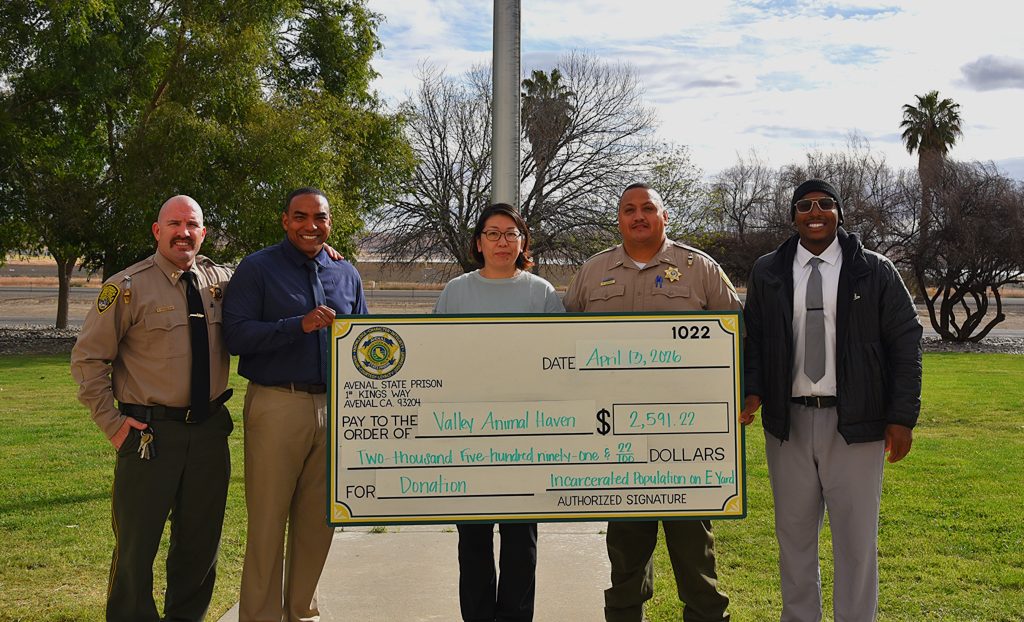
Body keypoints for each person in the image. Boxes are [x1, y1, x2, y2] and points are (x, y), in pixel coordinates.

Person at [740, 178, 922, 622]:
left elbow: (906, 341)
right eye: (804, 205)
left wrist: (902, 417)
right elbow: (755, 340)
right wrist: (753, 389)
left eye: (825, 204)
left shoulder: (874, 270)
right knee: (795, 540)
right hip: (790, 424)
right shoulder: (768, 271)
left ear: (840, 212)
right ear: (793, 216)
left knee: (856, 543)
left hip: (856, 424)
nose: (814, 212)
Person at [563, 183, 736, 622]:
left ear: (663, 215)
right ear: (618, 219)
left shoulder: (700, 269)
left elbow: (738, 337)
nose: (638, 216)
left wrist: (739, 396)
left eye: (647, 208)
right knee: (625, 551)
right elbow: (563, 341)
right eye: (628, 209)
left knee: (694, 551)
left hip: (687, 436)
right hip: (615, 438)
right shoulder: (592, 272)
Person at [70, 195, 234, 622]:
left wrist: (318, 253)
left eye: (192, 224)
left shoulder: (220, 281)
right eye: (174, 223)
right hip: (148, 437)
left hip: (209, 434)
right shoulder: (126, 288)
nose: (184, 232)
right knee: (136, 548)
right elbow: (88, 360)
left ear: (203, 232)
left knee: (200, 547)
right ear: (157, 231)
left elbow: (274, 281)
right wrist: (114, 427)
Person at [223, 187, 368, 622]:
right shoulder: (258, 268)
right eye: (300, 217)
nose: (311, 226)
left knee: (317, 524)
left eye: (319, 218)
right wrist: (295, 326)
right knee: (268, 523)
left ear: (330, 222)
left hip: (334, 409)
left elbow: (363, 344)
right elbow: (236, 336)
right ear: (284, 220)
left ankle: (302, 613)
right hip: (277, 404)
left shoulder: (346, 274)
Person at [434, 203, 564, 622]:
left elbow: (560, 360)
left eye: (511, 233)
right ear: (479, 242)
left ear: (523, 241)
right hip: (468, 435)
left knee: (520, 542)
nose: (502, 241)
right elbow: (436, 361)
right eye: (493, 233)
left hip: (526, 436)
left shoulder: (541, 292)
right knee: (472, 541)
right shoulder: (456, 291)